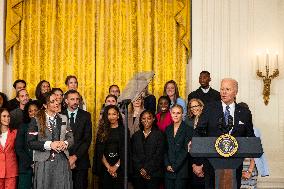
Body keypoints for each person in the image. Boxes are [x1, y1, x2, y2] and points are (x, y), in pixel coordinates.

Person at [198, 78, 255, 189]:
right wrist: (193, 141)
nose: (223, 92)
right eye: (222, 89)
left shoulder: (244, 113)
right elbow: (199, 130)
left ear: (235, 92)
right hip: (212, 161)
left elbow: (250, 137)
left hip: (235, 162)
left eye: (227, 89)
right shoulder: (210, 108)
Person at [27, 92, 74, 189]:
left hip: (62, 161)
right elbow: (31, 143)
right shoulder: (36, 119)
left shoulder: (64, 118)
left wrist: (65, 143)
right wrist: (50, 145)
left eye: (57, 100)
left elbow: (71, 138)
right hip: (44, 162)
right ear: (45, 105)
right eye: (52, 101)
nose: (56, 103)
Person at [93, 105, 129, 189]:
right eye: (109, 114)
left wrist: (116, 166)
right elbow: (99, 151)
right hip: (105, 168)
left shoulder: (124, 131)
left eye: (114, 114)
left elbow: (126, 151)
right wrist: (109, 167)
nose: (111, 117)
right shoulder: (102, 131)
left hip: (120, 168)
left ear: (118, 115)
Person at [63, 90, 92, 189]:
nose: (75, 101)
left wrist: (74, 157)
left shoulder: (86, 115)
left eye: (77, 99)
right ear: (66, 101)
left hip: (81, 161)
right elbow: (58, 139)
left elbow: (87, 140)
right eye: (72, 99)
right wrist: (68, 158)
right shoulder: (59, 115)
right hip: (63, 161)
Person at [131, 110, 165, 189]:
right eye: (143, 118)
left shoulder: (160, 134)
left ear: (153, 119)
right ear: (140, 120)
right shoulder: (136, 135)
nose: (146, 121)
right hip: (138, 175)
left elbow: (159, 155)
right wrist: (141, 170)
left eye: (149, 118)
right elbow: (133, 154)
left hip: (154, 174)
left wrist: (147, 169)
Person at [164, 105, 192, 189]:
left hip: (181, 170)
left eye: (178, 113)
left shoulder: (188, 129)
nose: (175, 115)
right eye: (173, 113)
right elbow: (165, 149)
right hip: (168, 171)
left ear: (182, 114)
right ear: (170, 114)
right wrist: (167, 164)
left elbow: (186, 150)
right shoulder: (167, 129)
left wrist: (175, 166)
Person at [15, 101, 39, 189]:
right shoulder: (23, 126)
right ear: (27, 113)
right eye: (30, 111)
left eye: (35, 110)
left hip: (40, 166)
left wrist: (37, 162)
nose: (33, 113)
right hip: (26, 167)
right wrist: (31, 162)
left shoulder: (43, 126)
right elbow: (19, 148)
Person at [185, 98, 205, 189]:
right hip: (192, 160)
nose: (193, 108)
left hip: (204, 161)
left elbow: (209, 144)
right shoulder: (189, 122)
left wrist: (202, 166)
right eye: (191, 107)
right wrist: (193, 165)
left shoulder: (207, 122)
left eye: (196, 106)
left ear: (201, 106)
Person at [0, 108, 18, 189]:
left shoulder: (15, 133)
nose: (7, 118)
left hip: (11, 171)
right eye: (4, 116)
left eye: (8, 116)